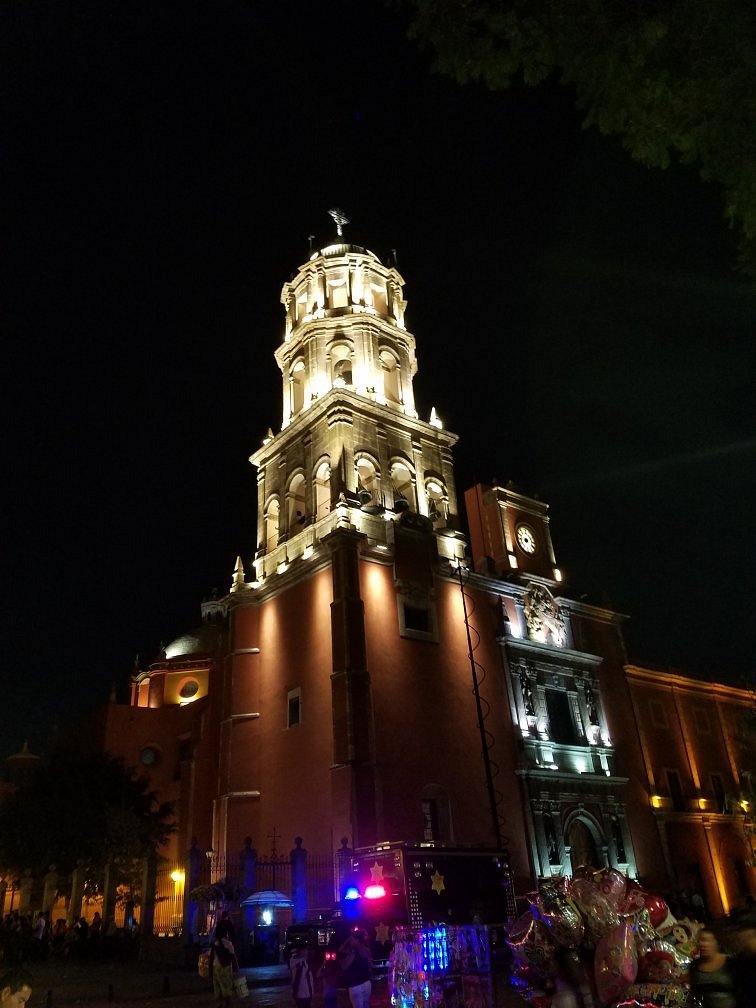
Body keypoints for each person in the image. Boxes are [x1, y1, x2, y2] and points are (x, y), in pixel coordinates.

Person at [689, 928, 736, 1008]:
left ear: (716, 943)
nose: (703, 944)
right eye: (700, 940)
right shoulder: (694, 966)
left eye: (707, 940)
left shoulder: (731, 963)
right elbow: (693, 993)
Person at [339, 930, 372, 1008]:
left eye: (352, 939)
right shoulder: (366, 950)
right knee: (366, 1005)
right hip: (366, 982)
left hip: (356, 985)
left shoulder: (353, 951)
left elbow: (344, 966)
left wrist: (342, 962)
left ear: (357, 940)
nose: (350, 941)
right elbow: (370, 963)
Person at [209, 931, 239, 1008]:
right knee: (226, 986)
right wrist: (236, 967)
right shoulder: (228, 943)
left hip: (215, 967)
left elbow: (210, 955)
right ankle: (226, 1004)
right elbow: (233, 955)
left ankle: (220, 1003)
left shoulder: (215, 943)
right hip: (225, 967)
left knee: (217, 986)